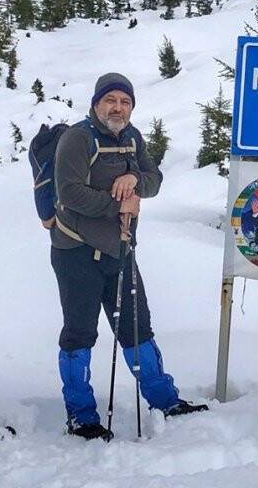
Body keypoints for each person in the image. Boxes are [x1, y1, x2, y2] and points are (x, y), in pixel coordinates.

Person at [50, 73, 207, 440]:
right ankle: (81, 416)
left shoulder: (132, 137)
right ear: (96, 103)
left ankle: (164, 399)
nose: (118, 107)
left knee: (137, 328)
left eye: (125, 102)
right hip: (77, 251)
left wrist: (135, 179)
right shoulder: (77, 138)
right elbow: (69, 193)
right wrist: (118, 202)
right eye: (111, 100)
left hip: (120, 251)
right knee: (79, 334)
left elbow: (155, 179)